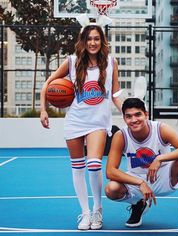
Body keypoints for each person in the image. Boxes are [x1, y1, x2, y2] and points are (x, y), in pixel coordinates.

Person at [40, 24, 122, 230]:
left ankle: (97, 209)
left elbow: (115, 94)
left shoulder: (111, 62)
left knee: (94, 164)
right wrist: (43, 109)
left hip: (98, 122)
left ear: (102, 41)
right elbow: (48, 84)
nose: (92, 43)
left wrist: (128, 111)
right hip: (76, 120)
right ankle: (85, 213)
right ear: (83, 42)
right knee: (77, 167)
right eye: (89, 39)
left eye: (96, 39)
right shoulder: (71, 62)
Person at [105, 98, 178, 236]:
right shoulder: (121, 136)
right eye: (129, 116)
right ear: (124, 118)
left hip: (164, 177)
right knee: (111, 189)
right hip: (137, 180)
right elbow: (110, 171)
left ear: (146, 114)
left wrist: (159, 158)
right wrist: (140, 182)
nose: (134, 120)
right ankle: (138, 204)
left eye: (138, 114)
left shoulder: (160, 129)